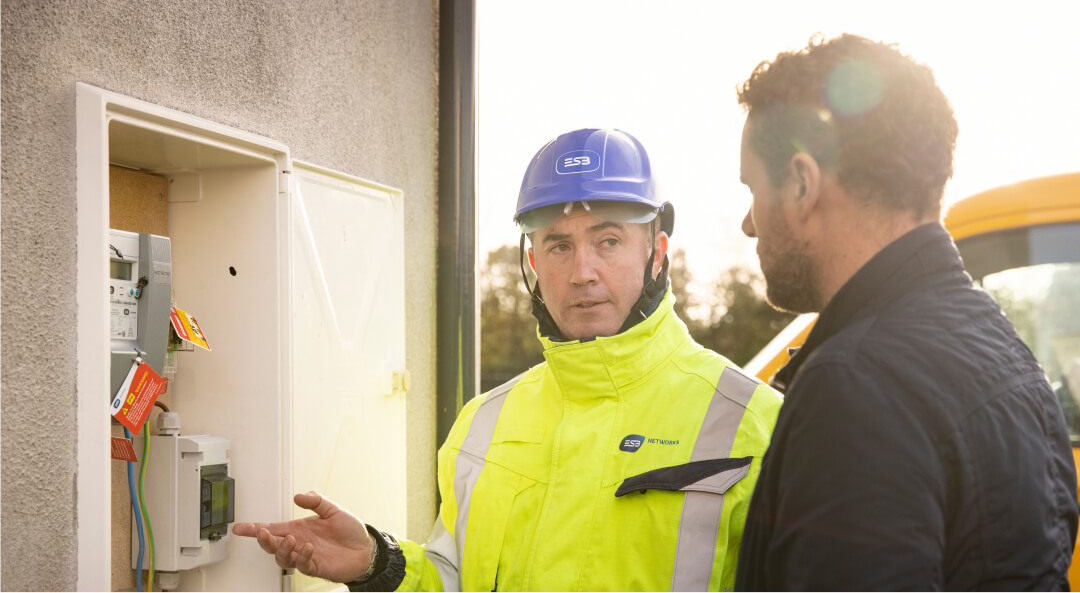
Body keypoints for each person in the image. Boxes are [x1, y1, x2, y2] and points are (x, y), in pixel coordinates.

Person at [234, 128, 783, 591]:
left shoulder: (756, 424)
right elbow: (452, 578)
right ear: (533, 262)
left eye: (609, 240)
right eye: (559, 245)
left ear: (656, 253)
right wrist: (378, 563)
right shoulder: (481, 427)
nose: (582, 270)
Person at [731, 33, 1079, 590]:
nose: (748, 223)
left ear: (801, 182)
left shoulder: (856, 386)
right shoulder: (1004, 347)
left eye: (751, 188)